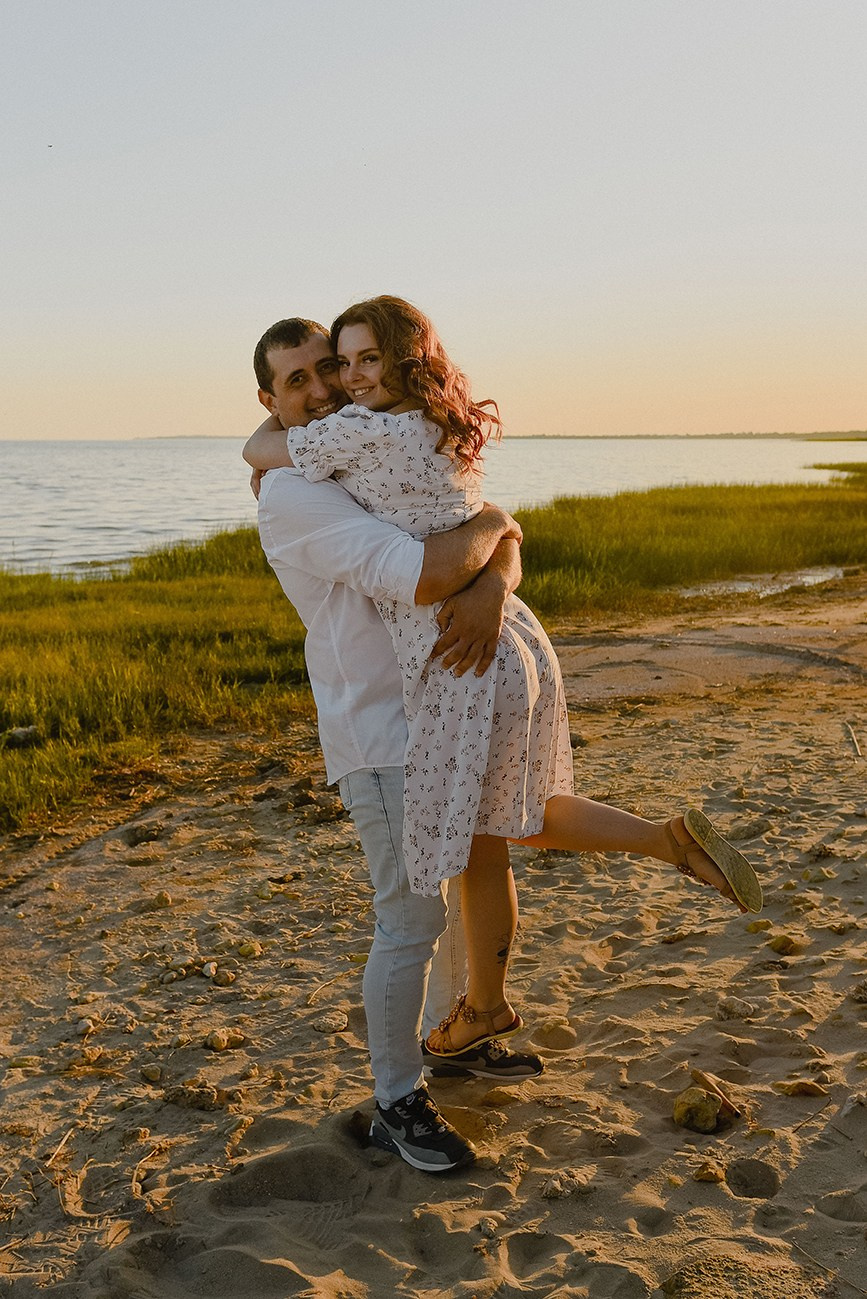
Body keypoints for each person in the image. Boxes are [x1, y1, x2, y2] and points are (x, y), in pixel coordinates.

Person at [245, 296, 764, 1068]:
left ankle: (473, 1017)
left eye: (350, 362)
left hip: (456, 655)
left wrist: (488, 544)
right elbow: (487, 515)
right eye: (314, 373)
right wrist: (496, 555)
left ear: (399, 361)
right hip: (512, 637)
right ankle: (655, 847)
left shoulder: (349, 436)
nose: (334, 383)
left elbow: (258, 451)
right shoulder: (437, 423)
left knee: (471, 846)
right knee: (505, 824)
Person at [250, 316, 542, 1175]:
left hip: (436, 712)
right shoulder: (297, 493)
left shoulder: (356, 453)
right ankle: (395, 1103)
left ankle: (460, 1036)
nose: (319, 390)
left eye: (327, 371)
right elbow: (423, 572)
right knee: (408, 917)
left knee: (460, 882)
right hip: (377, 731)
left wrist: (496, 563)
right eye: (295, 382)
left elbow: (468, 534)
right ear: (268, 402)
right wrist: (492, 525)